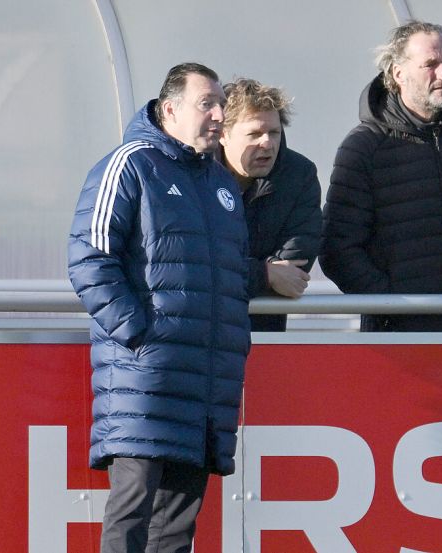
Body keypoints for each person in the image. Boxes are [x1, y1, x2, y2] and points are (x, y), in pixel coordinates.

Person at [67, 62, 251, 553]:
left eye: (221, 104)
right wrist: (140, 335)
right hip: (144, 378)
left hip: (204, 382)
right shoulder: (130, 164)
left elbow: (221, 274)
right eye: (206, 103)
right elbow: (89, 257)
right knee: (130, 515)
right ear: (170, 109)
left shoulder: (220, 184)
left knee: (176, 530)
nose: (218, 115)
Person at [320, 20, 442, 332]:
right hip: (399, 343)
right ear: (398, 74)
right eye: (431, 65)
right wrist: (390, 305)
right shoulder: (365, 147)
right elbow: (337, 248)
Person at [220, 77, 322, 331]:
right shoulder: (195, 175)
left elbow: (294, 266)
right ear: (223, 134)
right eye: (254, 133)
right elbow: (194, 266)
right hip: (201, 332)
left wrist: (253, 274)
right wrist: (266, 274)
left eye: (274, 132)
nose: (267, 143)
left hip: (265, 336)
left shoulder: (299, 175)